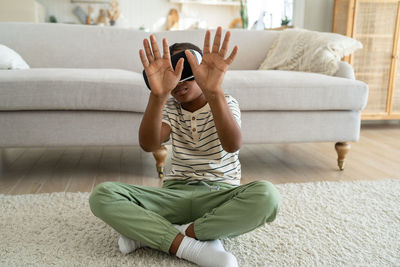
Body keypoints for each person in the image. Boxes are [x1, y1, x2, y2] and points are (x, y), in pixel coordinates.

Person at [89, 27, 280, 267]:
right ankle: (192, 243)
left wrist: (214, 92)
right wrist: (158, 96)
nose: (180, 81)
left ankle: (162, 235)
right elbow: (148, 144)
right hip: (173, 195)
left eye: (188, 70)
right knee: (103, 195)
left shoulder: (225, 102)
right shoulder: (170, 108)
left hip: (218, 195)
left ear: (203, 70)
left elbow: (232, 145)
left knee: (267, 196)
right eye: (172, 74)